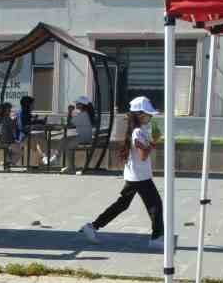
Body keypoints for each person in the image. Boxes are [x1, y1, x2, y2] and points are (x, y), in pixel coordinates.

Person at [82, 96, 163, 243]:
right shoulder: (137, 132)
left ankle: (92, 227)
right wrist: (154, 141)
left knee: (122, 205)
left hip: (136, 175)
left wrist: (152, 142)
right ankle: (157, 238)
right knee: (155, 205)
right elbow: (143, 155)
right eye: (148, 114)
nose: (150, 117)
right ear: (139, 115)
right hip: (139, 177)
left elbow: (143, 153)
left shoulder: (139, 130)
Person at [60, 95, 97, 173]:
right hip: (87, 137)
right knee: (64, 139)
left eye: (77, 103)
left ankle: (70, 166)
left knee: (68, 144)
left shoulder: (84, 114)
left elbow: (70, 124)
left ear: (82, 104)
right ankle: (61, 161)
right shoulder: (87, 113)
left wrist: (70, 112)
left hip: (85, 138)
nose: (76, 104)